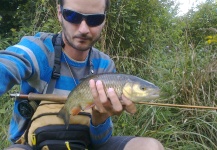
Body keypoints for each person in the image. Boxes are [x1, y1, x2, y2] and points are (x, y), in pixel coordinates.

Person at [1, 0, 164, 149]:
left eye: (94, 19)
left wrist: (100, 117)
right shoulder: (37, 51)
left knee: (149, 146)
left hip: (86, 144)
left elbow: (100, 141)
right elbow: (7, 64)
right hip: (32, 145)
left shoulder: (105, 65)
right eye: (72, 16)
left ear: (104, 20)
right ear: (59, 13)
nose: (83, 29)